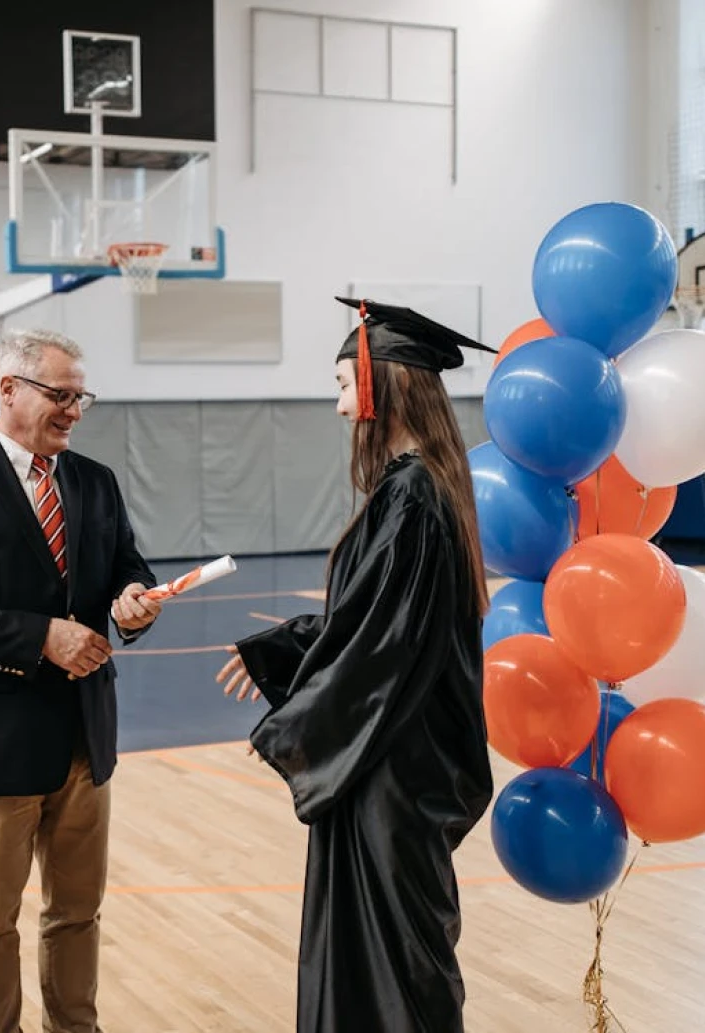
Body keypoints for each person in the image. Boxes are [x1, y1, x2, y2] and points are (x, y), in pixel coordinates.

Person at [215, 298, 496, 1032]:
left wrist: (295, 725)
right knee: (375, 952)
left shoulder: (415, 496)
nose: (342, 407)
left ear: (385, 386)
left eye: (345, 386)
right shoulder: (418, 488)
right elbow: (372, 617)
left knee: (397, 958)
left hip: (396, 769)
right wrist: (282, 648)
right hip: (390, 760)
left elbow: (381, 645)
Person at [0, 328, 162, 1033]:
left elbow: (127, 566)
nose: (74, 410)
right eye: (61, 395)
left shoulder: (94, 480)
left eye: (82, 397)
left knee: (78, 912)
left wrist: (133, 599)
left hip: (86, 734)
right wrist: (41, 636)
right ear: (9, 388)